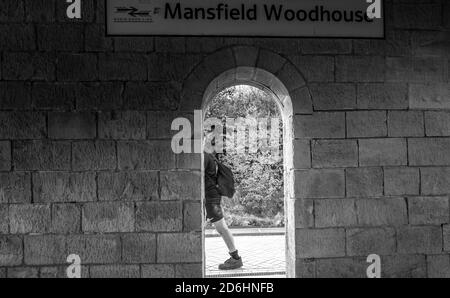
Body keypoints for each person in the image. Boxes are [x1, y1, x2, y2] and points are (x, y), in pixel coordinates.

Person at [204, 131, 243, 270]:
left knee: (221, 228)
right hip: (211, 197)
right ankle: (234, 257)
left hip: (210, 199)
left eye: (206, 139)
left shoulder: (206, 157)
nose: (204, 141)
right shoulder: (211, 158)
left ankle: (235, 258)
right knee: (219, 228)